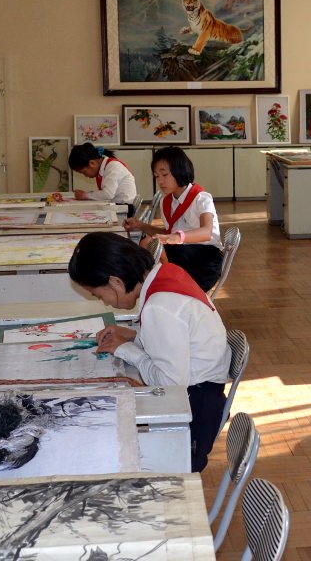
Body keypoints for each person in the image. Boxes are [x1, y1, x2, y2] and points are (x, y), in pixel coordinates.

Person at [69, 232, 232, 472]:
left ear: (115, 282)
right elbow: (180, 338)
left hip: (193, 411)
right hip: (203, 395)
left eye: (98, 294)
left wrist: (126, 349)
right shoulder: (165, 274)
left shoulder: (160, 305)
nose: (103, 302)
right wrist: (133, 335)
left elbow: (170, 383)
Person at [123, 146, 223, 292]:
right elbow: (169, 232)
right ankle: (159, 287)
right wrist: (140, 225)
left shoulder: (201, 198)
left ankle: (161, 287)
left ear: (179, 170)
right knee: (145, 245)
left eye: (165, 175)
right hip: (183, 252)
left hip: (205, 259)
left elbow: (206, 232)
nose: (160, 181)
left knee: (148, 247)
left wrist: (175, 237)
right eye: (157, 176)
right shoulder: (167, 201)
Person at [67, 143, 139, 217]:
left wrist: (85, 195)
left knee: (86, 214)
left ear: (92, 163)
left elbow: (108, 194)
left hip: (125, 210)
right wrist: (87, 195)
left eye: (84, 172)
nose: (85, 176)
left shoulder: (113, 167)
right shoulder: (105, 167)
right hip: (118, 206)